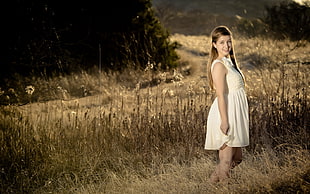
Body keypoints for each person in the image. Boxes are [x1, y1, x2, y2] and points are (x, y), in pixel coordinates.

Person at [204, 26, 249, 182]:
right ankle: (223, 188)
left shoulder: (228, 62)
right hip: (226, 114)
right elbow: (221, 95)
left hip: (235, 113)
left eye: (229, 42)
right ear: (214, 44)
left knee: (237, 158)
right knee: (226, 160)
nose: (226, 46)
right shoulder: (218, 65)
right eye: (222, 42)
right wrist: (224, 121)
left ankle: (209, 186)